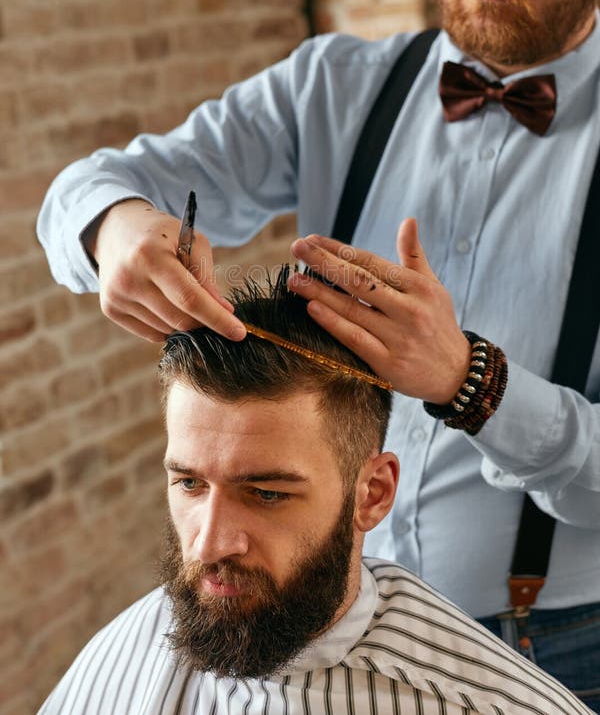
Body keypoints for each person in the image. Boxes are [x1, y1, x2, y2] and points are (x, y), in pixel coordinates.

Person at [37, 0, 600, 704]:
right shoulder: (337, 88)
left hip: (552, 651)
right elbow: (95, 182)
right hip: (316, 625)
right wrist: (118, 229)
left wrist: (472, 382)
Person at [38, 272, 592, 715]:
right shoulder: (131, 643)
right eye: (189, 483)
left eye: (267, 494)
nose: (208, 546)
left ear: (372, 494)